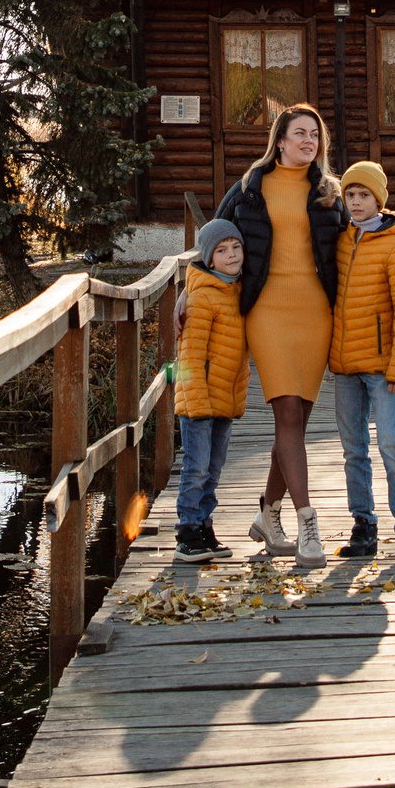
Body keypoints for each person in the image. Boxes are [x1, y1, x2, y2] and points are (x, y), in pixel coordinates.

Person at [211, 102, 341, 566]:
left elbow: (358, 240)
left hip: (315, 314)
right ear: (280, 140)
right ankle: (309, 523)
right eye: (300, 133)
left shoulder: (329, 192)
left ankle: (268, 513)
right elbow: (214, 235)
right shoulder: (249, 186)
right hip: (267, 312)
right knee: (286, 413)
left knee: (297, 425)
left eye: (315, 135)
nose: (309, 141)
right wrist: (191, 287)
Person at [325, 161, 395, 565]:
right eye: (350, 195)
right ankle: (363, 526)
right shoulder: (341, 239)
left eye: (364, 195)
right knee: (353, 449)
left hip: (383, 366)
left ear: (379, 200)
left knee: (389, 443)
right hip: (346, 366)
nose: (356, 202)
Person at [172, 218, 248, 563]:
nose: (231, 255)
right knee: (196, 467)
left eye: (236, 247)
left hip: (226, 398)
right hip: (199, 402)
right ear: (208, 258)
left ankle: (205, 525)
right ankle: (187, 530)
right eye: (221, 250)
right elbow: (189, 355)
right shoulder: (202, 297)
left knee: (214, 468)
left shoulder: (239, 290)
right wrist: (195, 401)